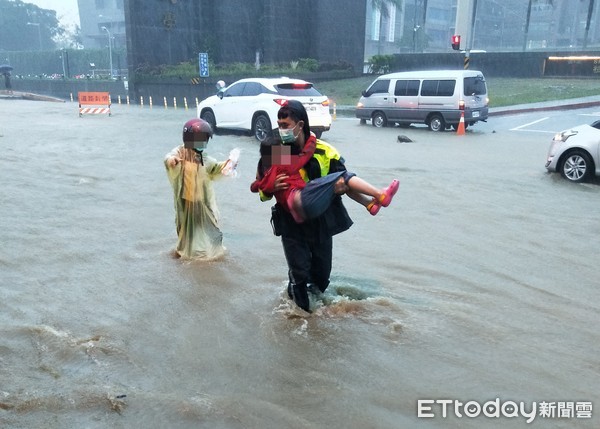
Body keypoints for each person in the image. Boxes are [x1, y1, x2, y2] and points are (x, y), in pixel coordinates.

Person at [252, 100, 364, 313]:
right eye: (279, 124)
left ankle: (316, 309)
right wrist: (270, 188)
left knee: (322, 275)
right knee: (299, 275)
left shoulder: (325, 151)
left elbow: (344, 182)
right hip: (290, 222)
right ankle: (302, 316)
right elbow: (262, 191)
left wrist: (350, 193)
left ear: (300, 125)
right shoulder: (277, 150)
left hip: (321, 220)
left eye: (286, 124)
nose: (281, 129)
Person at [251, 139, 399, 223]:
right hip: (302, 199)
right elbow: (306, 154)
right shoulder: (287, 163)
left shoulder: (267, 170)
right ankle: (380, 195)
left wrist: (267, 186)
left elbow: (256, 186)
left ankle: (369, 204)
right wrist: (312, 139)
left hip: (294, 212)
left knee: (344, 182)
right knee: (345, 177)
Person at [164, 118, 235, 260]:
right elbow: (169, 158)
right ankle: (185, 253)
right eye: (200, 139)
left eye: (205, 140)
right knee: (186, 232)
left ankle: (209, 253)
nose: (203, 143)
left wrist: (229, 164)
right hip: (185, 202)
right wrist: (172, 161)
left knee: (210, 229)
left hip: (203, 202)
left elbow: (216, 168)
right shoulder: (180, 152)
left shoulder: (205, 158)